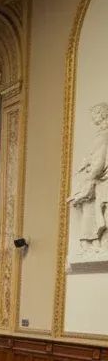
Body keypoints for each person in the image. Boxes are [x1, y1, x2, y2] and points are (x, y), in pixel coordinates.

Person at [69, 103, 108, 250]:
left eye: (95, 115)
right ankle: (90, 241)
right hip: (95, 180)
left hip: (98, 181)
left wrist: (89, 177)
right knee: (91, 211)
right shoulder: (101, 135)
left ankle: (92, 241)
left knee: (92, 211)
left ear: (101, 115)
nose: (93, 118)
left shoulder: (103, 136)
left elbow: (98, 161)